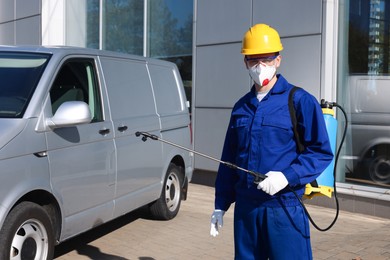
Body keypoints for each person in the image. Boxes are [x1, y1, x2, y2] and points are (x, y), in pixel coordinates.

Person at [209, 23, 334, 260]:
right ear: (245, 62)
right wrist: (220, 204)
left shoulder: (300, 101)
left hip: (283, 207)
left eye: (266, 58)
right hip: (246, 210)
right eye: (253, 60)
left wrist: (287, 176)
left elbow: (320, 153)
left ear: (278, 59)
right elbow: (228, 161)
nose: (260, 66)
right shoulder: (241, 107)